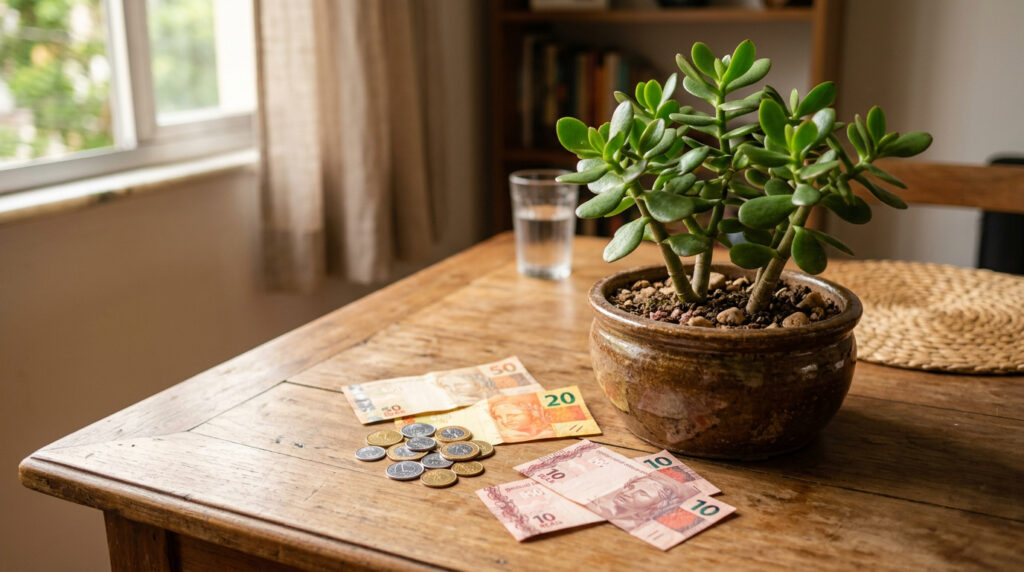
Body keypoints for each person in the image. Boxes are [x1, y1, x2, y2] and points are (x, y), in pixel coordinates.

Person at [488, 394, 556, 441]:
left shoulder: (550, 431)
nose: (505, 421)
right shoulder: (501, 435)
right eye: (499, 417)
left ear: (533, 413)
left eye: (512, 415)